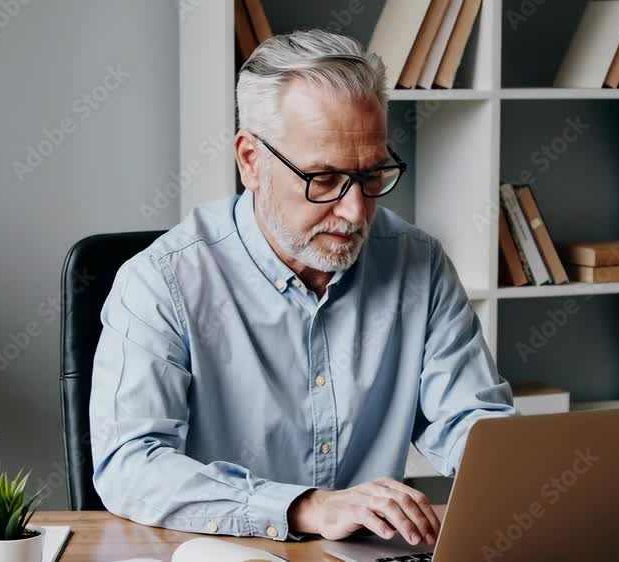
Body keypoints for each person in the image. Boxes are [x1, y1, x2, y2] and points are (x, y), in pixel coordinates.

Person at [89, 29, 515, 547]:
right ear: (251, 160)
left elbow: (473, 422)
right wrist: (307, 507)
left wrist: (517, 479)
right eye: (324, 179)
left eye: (371, 175)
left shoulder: (418, 264)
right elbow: (130, 466)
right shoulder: (161, 282)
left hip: (364, 556)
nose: (355, 211)